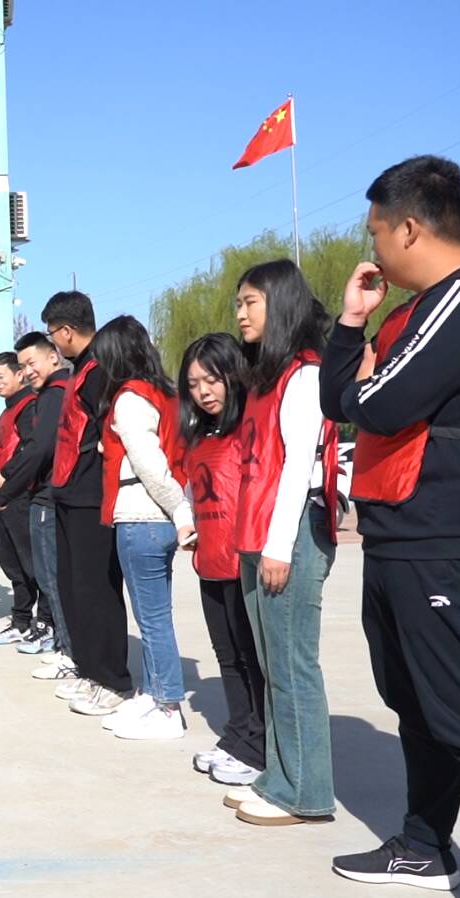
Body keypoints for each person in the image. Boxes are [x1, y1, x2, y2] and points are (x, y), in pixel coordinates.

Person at [322, 155, 460, 896]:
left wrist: (364, 386)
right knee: (416, 704)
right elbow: (340, 398)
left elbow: (379, 404)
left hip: (450, 539)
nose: (372, 250)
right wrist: (351, 322)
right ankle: (423, 846)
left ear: (409, 226)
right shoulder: (408, 314)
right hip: (400, 536)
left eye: (376, 232)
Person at [226, 259, 341, 826]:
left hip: (287, 532)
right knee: (273, 664)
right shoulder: (265, 379)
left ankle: (306, 792)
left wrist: (276, 546)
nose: (241, 313)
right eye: (239, 303)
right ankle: (279, 775)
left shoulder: (305, 374)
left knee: (293, 665)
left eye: (251, 302)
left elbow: (299, 464)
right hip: (260, 530)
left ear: (281, 304)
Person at [90, 316, 193, 741]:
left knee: (152, 620)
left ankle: (168, 705)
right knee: (154, 616)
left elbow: (151, 463)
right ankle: (152, 695)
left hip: (142, 515)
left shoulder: (130, 399)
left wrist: (178, 507)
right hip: (157, 518)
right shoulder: (165, 393)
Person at [178, 333, 265, 787]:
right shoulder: (201, 434)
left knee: (253, 659)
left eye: (212, 380)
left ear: (233, 375)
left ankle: (259, 745)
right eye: (193, 384)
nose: (204, 392)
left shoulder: (249, 427)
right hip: (209, 559)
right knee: (227, 656)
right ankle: (238, 734)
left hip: (243, 561)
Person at [43, 291, 129, 716]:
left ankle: (112, 678)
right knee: (74, 586)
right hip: (69, 492)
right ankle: (89, 668)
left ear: (66, 331)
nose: (53, 344)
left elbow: (108, 433)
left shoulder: (100, 370)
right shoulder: (82, 370)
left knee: (97, 589)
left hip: (91, 496)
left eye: (52, 335)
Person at [0, 333, 76, 678]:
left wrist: (8, 487)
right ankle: (55, 639)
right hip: (35, 491)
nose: (28, 371)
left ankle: (61, 643)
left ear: (54, 356)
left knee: (47, 575)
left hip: (44, 494)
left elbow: (37, 449)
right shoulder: (42, 397)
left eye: (31, 364)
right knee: (33, 570)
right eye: (24, 365)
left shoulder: (50, 396)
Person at [0, 352, 46, 647]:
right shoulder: (8, 411)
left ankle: (44, 623)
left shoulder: (29, 406)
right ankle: (21, 620)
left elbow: (31, 451)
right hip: (2, 496)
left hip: (20, 496)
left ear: (20, 374)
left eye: (1, 376)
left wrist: (6, 475)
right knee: (13, 565)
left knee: (32, 565)